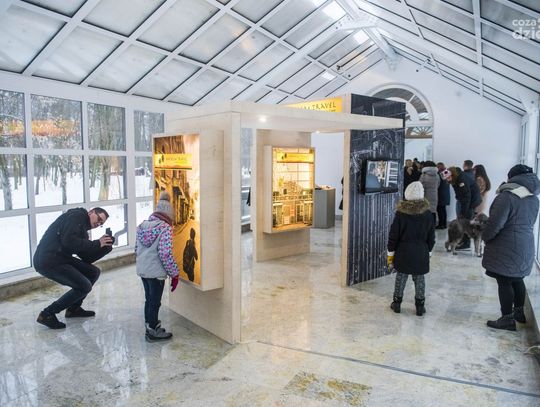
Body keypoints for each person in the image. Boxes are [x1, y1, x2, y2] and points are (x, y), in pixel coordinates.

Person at [34, 207, 113, 329]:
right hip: (47, 260)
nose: (98, 224)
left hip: (61, 257)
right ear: (91, 212)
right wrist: (97, 243)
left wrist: (105, 248)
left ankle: (73, 309)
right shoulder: (76, 216)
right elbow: (69, 241)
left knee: (93, 272)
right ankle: (47, 314)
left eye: (101, 223)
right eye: (98, 219)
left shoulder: (82, 230)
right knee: (84, 286)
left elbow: (87, 257)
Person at [482, 164, 540, 331]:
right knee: (517, 278)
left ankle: (507, 319)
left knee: (504, 280)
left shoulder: (507, 197)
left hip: (506, 246)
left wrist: (485, 236)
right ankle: (519, 313)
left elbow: (495, 224)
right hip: (526, 244)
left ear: (512, 178)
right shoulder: (533, 198)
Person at [136, 191, 180, 342]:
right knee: (155, 302)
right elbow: (165, 254)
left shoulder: (141, 226)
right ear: (168, 214)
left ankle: (150, 326)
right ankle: (152, 332)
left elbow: (136, 249)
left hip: (143, 271)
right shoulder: (165, 229)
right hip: (156, 273)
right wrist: (174, 273)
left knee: (149, 300)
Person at [387, 181, 435, 316]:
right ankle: (420, 306)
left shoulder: (401, 214)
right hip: (421, 251)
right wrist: (429, 251)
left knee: (401, 277)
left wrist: (390, 252)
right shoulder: (428, 214)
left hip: (403, 251)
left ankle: (397, 303)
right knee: (419, 279)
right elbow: (431, 236)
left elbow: (393, 235)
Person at [446, 166, 482, 250]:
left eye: (448, 177)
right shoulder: (456, 179)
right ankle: (462, 241)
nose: (447, 179)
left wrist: (463, 212)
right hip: (466, 200)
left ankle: (466, 243)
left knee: (466, 222)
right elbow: (458, 192)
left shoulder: (461, 180)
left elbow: (466, 197)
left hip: (471, 201)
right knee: (462, 220)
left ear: (453, 175)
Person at [419, 161, 440, 225]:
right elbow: (438, 184)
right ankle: (432, 226)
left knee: (425, 211)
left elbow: (420, 186)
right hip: (435, 195)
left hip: (425, 195)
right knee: (433, 211)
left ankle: (426, 226)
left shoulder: (423, 175)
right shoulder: (437, 175)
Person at [436, 162, 450, 229]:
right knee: (443, 210)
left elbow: (439, 184)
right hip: (445, 194)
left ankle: (441, 224)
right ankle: (444, 224)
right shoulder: (446, 172)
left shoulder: (439, 174)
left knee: (440, 210)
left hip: (440, 194)